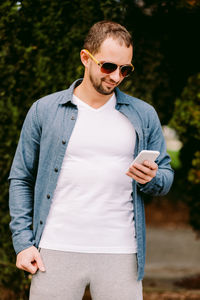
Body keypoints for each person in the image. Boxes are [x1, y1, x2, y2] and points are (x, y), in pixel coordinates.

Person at [9, 20, 174, 300]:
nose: (116, 77)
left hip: (121, 252)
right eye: (108, 66)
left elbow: (166, 176)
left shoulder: (143, 115)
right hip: (55, 249)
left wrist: (153, 178)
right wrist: (23, 243)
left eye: (126, 69)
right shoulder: (45, 110)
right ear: (86, 58)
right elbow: (21, 178)